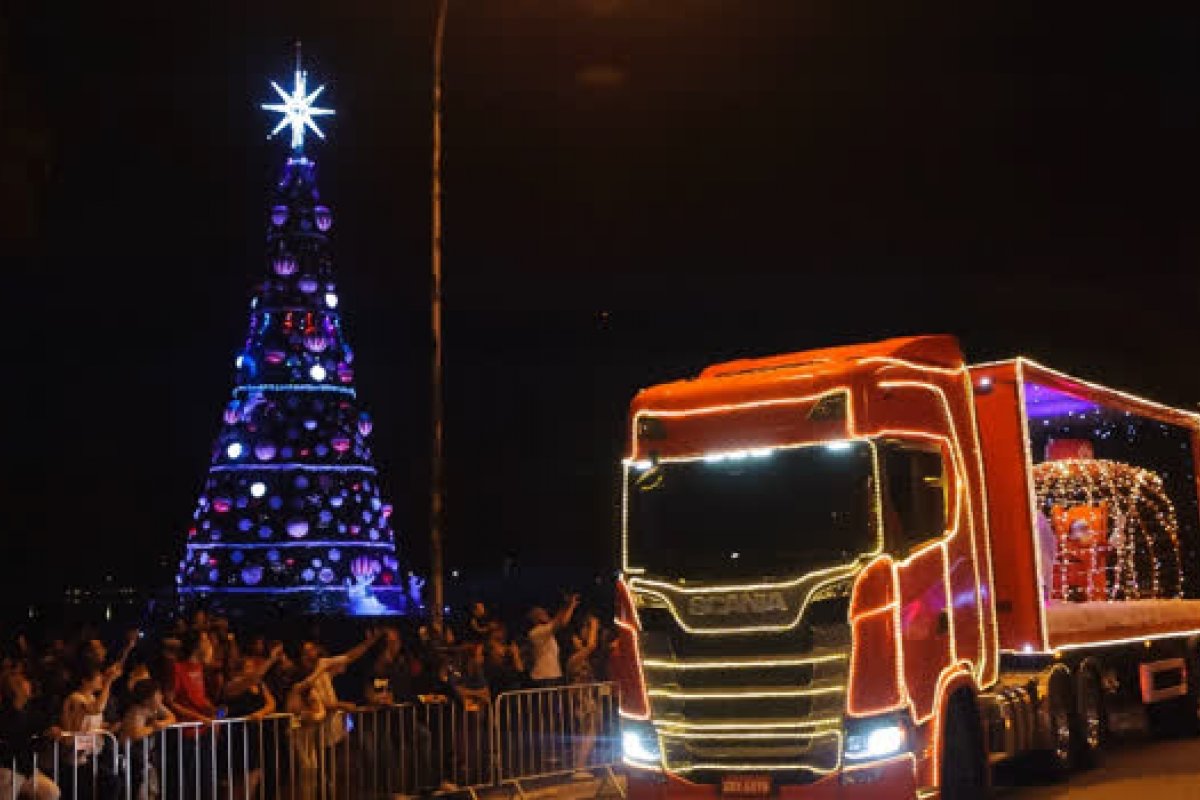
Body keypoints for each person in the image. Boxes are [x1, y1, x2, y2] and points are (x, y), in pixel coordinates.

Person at [0, 670, 61, 800]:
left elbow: (41, 726)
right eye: (25, 682)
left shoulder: (28, 711)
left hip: (26, 770)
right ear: (16, 688)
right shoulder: (6, 715)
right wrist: (44, 735)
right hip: (8, 770)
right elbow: (19, 741)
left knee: (51, 792)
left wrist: (50, 731)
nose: (29, 684)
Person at [119, 679, 176, 800]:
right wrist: (153, 727)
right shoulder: (136, 711)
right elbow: (135, 733)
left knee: (150, 790)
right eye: (158, 693)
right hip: (132, 757)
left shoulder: (156, 707)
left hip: (147, 757)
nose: (161, 696)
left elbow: (172, 717)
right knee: (136, 789)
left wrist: (163, 723)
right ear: (147, 698)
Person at [566, 615, 601, 781]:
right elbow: (592, 645)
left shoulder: (582, 659)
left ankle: (581, 765)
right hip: (581, 700)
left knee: (588, 732)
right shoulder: (574, 659)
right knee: (587, 733)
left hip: (586, 699)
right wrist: (594, 626)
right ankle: (579, 766)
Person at [527, 593, 580, 687]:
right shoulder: (536, 633)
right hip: (544, 678)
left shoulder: (547, 634)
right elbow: (560, 622)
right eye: (542, 613)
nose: (546, 614)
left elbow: (560, 621)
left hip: (553, 676)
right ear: (535, 618)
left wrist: (569, 606)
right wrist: (568, 605)